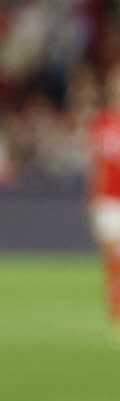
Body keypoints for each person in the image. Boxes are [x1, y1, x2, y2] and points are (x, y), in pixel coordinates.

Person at [87, 62, 120, 335]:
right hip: (108, 199)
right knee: (112, 254)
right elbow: (96, 166)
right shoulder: (101, 123)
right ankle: (115, 305)